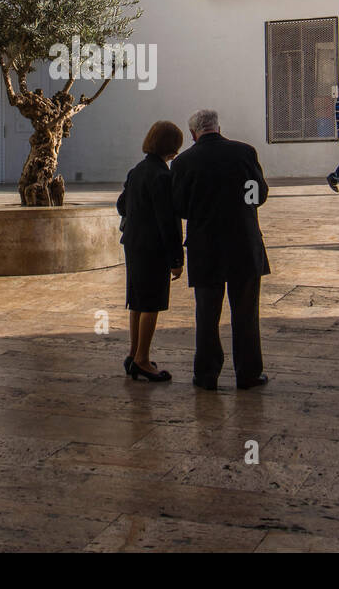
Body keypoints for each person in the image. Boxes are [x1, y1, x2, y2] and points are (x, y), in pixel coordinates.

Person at [171, 109, 270, 392]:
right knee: (246, 313)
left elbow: (179, 207)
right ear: (218, 127)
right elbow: (258, 195)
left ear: (193, 134)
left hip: (206, 246)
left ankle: (206, 375)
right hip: (243, 243)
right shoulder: (244, 153)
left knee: (207, 315)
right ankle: (248, 373)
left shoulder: (183, 162)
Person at [115, 121, 184, 382]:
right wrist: (176, 259)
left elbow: (121, 205)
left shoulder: (137, 170)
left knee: (136, 300)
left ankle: (134, 354)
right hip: (153, 248)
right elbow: (168, 222)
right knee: (151, 303)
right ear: (170, 147)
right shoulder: (163, 176)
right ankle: (143, 359)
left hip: (132, 243)